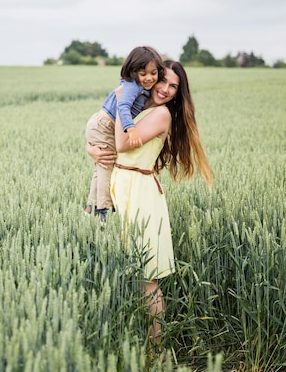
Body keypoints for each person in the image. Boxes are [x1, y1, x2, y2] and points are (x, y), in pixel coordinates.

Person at [88, 60, 213, 351]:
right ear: (151, 78)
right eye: (163, 82)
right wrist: (91, 148)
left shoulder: (161, 115)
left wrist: (121, 102)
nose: (167, 90)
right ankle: (130, 340)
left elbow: (121, 144)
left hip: (140, 195)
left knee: (147, 277)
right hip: (122, 186)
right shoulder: (142, 107)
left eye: (174, 87)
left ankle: (155, 349)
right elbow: (107, 143)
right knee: (124, 271)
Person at [84, 46, 165, 224]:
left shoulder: (143, 88)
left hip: (101, 124)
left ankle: (91, 207)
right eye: (143, 73)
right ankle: (104, 210)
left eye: (153, 73)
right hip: (105, 124)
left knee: (101, 166)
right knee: (106, 164)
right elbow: (123, 106)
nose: (149, 78)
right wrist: (131, 129)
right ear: (133, 71)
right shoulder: (131, 85)